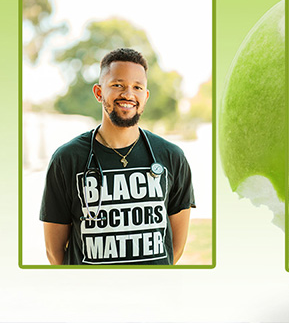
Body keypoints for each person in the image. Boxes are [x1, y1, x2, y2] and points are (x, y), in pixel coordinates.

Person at [39, 48, 195, 265]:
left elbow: (175, 247)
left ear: (145, 96)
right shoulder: (67, 159)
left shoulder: (171, 157)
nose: (128, 94)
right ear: (98, 92)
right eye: (117, 85)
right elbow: (54, 252)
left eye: (137, 87)